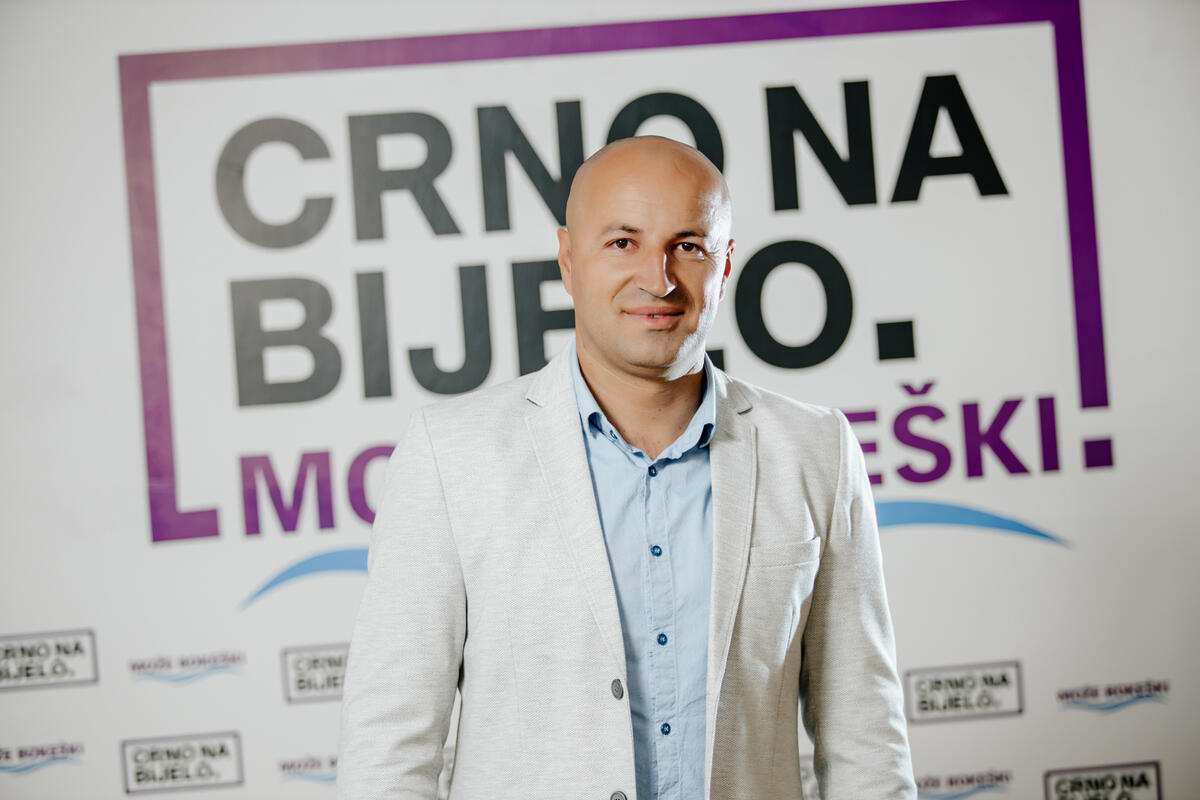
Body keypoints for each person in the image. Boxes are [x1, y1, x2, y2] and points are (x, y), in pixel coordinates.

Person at [338, 136, 916, 799]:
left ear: (726, 263)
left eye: (688, 246)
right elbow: (388, 750)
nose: (658, 279)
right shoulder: (451, 455)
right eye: (622, 243)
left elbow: (866, 741)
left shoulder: (815, 449)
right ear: (568, 260)